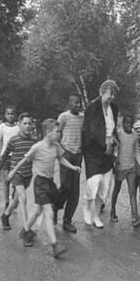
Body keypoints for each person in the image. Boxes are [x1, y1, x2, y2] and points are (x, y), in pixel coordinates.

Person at [9, 119, 81, 257]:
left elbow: (60, 159)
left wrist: (73, 167)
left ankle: (25, 231)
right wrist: (13, 172)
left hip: (50, 183)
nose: (59, 134)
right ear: (48, 133)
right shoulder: (37, 147)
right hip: (40, 184)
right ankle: (55, 245)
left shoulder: (56, 146)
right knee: (48, 212)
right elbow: (24, 160)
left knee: (38, 211)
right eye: (57, 132)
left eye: (60, 132)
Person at [81, 79, 119, 228]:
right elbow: (88, 130)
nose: (112, 98)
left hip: (108, 152)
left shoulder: (114, 108)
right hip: (93, 150)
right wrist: (103, 143)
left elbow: (113, 129)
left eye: (114, 95)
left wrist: (113, 142)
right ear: (102, 92)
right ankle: (86, 208)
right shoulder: (92, 107)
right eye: (110, 94)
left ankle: (96, 214)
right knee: (94, 181)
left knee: (105, 185)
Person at [0, 113, 37, 233]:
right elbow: (4, 156)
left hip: (28, 174)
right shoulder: (13, 140)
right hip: (16, 173)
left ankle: (5, 215)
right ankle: (26, 230)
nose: (27, 126)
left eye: (29, 123)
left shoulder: (34, 141)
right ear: (19, 125)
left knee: (16, 200)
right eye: (25, 123)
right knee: (23, 198)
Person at [109, 114, 140, 227]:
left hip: (131, 168)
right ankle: (113, 211)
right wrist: (114, 160)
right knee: (117, 189)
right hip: (120, 168)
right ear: (123, 123)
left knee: (132, 191)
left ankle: (135, 216)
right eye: (127, 123)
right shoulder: (118, 134)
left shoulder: (135, 135)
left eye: (131, 123)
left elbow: (137, 151)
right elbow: (113, 149)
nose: (129, 125)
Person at [56, 94, 84, 233]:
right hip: (66, 154)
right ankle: (55, 207)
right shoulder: (63, 117)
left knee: (75, 191)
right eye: (76, 103)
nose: (78, 105)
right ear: (70, 103)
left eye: (80, 103)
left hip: (78, 155)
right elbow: (56, 134)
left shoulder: (83, 117)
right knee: (66, 187)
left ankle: (67, 221)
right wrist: (61, 150)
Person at [0, 106, 19, 211]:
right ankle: (7, 203)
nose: (10, 116)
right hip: (5, 156)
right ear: (5, 115)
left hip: (16, 157)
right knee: (6, 181)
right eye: (8, 114)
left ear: (15, 115)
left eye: (12, 114)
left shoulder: (19, 126)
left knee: (16, 181)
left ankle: (14, 193)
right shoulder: (2, 126)